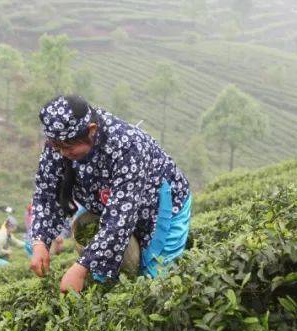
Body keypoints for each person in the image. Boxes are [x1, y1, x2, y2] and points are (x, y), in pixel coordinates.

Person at [29, 95, 192, 292]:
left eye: (69, 148)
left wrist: (81, 268)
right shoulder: (59, 143)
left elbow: (120, 219)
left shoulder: (127, 145)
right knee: (106, 279)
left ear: (91, 131)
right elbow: (46, 193)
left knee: (154, 281)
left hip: (159, 207)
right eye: (57, 147)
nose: (62, 153)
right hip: (109, 208)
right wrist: (39, 242)